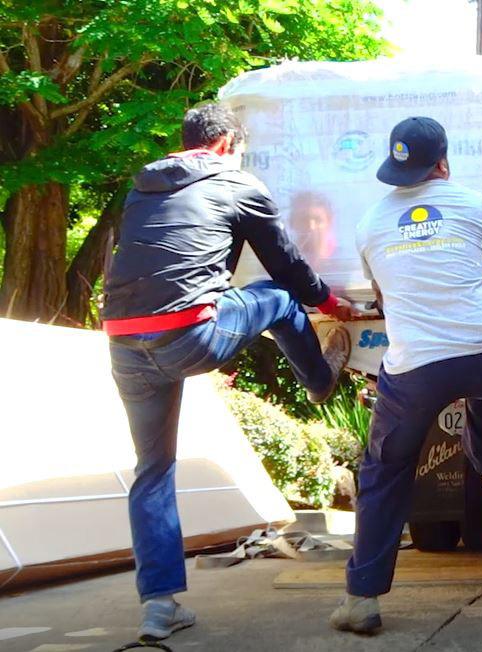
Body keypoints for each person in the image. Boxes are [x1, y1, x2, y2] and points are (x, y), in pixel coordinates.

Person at [102, 103, 355, 642]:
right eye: (239, 152)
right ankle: (319, 379)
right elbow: (284, 263)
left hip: (125, 340)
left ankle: (159, 606)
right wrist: (329, 301)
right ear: (226, 145)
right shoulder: (236, 183)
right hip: (189, 335)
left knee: (152, 471)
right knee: (282, 298)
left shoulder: (142, 188)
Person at [330, 116, 482, 634]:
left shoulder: (370, 223)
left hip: (414, 367)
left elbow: (388, 296)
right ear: (443, 161)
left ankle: (362, 601)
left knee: (384, 470)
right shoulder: (478, 206)